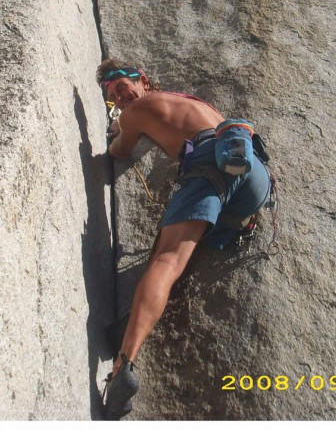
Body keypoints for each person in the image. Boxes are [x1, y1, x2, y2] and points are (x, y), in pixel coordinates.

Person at [97, 58, 271, 419]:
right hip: (250, 168)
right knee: (183, 246)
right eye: (114, 94)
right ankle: (136, 318)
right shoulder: (195, 103)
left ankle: (122, 367)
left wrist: (116, 131)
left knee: (168, 260)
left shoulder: (135, 112)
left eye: (124, 86)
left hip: (210, 163)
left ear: (143, 81)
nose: (122, 95)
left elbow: (119, 152)